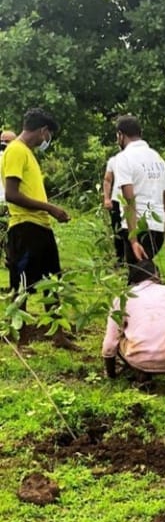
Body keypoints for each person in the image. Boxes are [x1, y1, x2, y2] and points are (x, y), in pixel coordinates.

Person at [0, 108, 76, 347]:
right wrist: (50, 207)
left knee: (52, 280)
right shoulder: (15, 151)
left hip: (40, 225)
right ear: (43, 130)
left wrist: (47, 212)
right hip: (24, 226)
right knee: (21, 283)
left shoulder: (28, 154)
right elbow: (11, 194)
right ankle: (18, 336)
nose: (47, 140)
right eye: (48, 135)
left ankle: (58, 335)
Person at [101, 259, 165, 383]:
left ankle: (141, 372)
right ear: (157, 275)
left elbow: (109, 346)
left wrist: (111, 375)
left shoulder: (122, 298)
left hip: (137, 359)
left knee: (117, 333)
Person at [113, 115, 165, 270]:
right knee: (144, 276)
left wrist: (133, 240)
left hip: (138, 227)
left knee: (137, 282)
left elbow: (129, 200)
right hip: (157, 229)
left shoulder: (124, 158)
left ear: (121, 135)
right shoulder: (158, 159)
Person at [102, 154, 125, 264]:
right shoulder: (114, 160)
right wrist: (107, 198)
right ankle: (119, 259)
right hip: (117, 200)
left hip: (135, 200)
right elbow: (107, 179)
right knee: (118, 230)